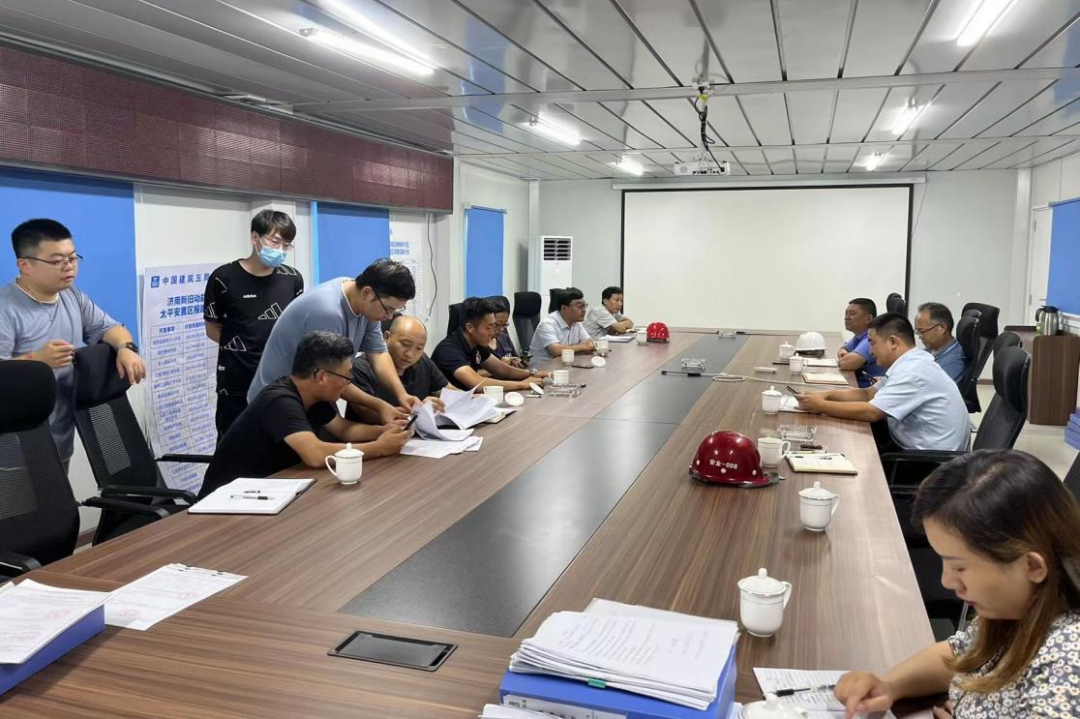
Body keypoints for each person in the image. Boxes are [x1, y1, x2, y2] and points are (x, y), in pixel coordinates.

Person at [835, 449, 1080, 719]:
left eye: (959, 567)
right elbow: (961, 654)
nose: (947, 580)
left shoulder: (1068, 663)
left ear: (1032, 566)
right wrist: (889, 685)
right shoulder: (1017, 609)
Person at [0, 219, 146, 470]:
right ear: (25, 265)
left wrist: (126, 348)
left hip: (59, 438)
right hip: (12, 451)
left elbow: (109, 328)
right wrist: (36, 361)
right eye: (57, 261)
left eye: (72, 258)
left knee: (56, 496)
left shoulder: (73, 297)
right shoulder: (5, 308)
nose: (68, 266)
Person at [200, 331, 411, 498]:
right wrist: (379, 447)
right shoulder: (279, 400)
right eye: (347, 376)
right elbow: (315, 454)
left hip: (272, 490)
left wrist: (383, 431)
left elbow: (344, 429)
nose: (349, 383)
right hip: (228, 499)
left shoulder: (314, 396)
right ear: (321, 377)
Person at [247, 258, 419, 423]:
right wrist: (379, 405)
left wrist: (401, 394)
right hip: (276, 400)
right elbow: (333, 377)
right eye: (388, 309)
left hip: (311, 397)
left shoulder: (366, 304)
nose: (389, 316)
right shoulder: (328, 312)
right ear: (368, 293)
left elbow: (378, 354)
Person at [798, 313, 969, 453]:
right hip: (909, 443)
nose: (870, 351)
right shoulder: (911, 361)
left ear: (893, 342)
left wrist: (820, 406)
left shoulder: (913, 371)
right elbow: (868, 394)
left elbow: (871, 412)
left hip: (927, 461)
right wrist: (825, 395)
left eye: (872, 343)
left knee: (848, 448)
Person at [204, 210, 304, 440]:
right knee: (233, 443)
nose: (280, 250)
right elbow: (212, 328)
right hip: (236, 381)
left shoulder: (292, 278)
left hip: (280, 378)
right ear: (254, 237)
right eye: (274, 242)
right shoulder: (223, 278)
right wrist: (244, 350)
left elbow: (294, 325)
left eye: (286, 245)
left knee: (278, 442)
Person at [346, 315, 446, 423]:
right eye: (405, 344)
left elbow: (448, 392)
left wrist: (437, 405)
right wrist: (420, 410)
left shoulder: (423, 361)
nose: (410, 354)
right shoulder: (359, 367)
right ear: (386, 337)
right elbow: (370, 414)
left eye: (419, 348)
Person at [433, 296, 546, 391]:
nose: (493, 332)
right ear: (470, 328)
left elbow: (502, 370)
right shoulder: (448, 350)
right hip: (448, 407)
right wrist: (523, 384)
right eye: (489, 327)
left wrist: (531, 374)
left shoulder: (476, 344)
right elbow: (477, 383)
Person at [529, 287, 595, 359]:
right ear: (564, 308)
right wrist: (583, 346)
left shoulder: (576, 323)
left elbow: (589, 342)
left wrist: (581, 346)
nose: (584, 310)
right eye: (579, 306)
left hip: (564, 362)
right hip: (543, 364)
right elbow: (556, 350)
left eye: (584, 306)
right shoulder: (548, 324)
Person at [837, 298, 885, 388]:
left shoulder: (870, 340)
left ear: (868, 318)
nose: (846, 317)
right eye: (846, 313)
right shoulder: (859, 335)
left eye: (852, 314)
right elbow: (843, 349)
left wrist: (844, 358)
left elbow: (846, 364)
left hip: (868, 391)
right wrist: (844, 354)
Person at [916, 302, 966, 384]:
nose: (920, 336)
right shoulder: (930, 349)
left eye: (922, 331)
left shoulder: (954, 362)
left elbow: (933, 389)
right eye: (917, 332)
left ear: (942, 328)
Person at [487, 295, 526, 368]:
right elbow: (473, 373)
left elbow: (515, 357)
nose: (502, 329)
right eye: (497, 325)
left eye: (504, 325)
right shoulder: (479, 344)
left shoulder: (504, 337)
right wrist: (500, 365)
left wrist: (517, 361)